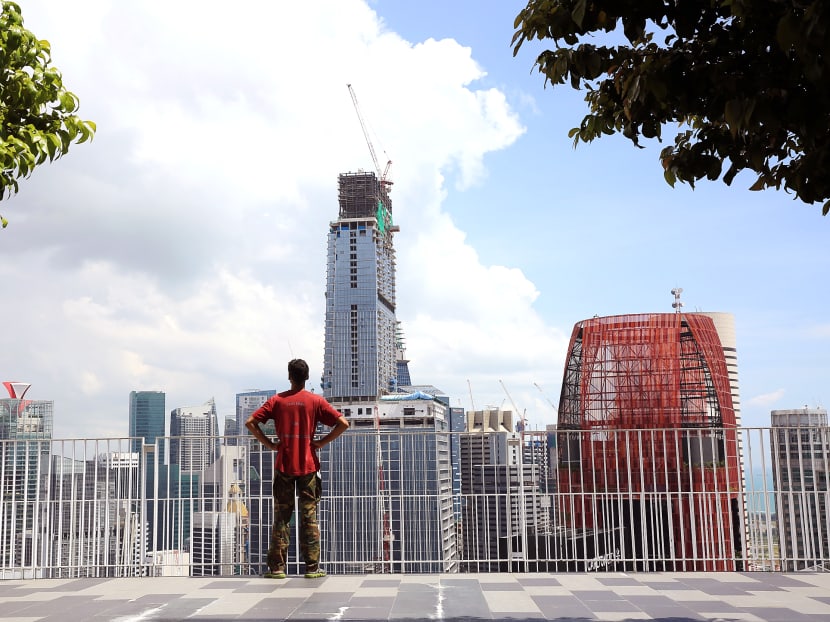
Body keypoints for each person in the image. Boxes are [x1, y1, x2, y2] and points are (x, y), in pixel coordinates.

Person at [245, 358, 349, 579]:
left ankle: (277, 568)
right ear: (307, 377)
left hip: (284, 464)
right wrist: (320, 443)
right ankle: (312, 568)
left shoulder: (277, 401)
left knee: (282, 516)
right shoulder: (315, 401)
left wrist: (269, 444)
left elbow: (250, 422)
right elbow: (343, 423)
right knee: (308, 517)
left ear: (290, 376)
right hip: (309, 466)